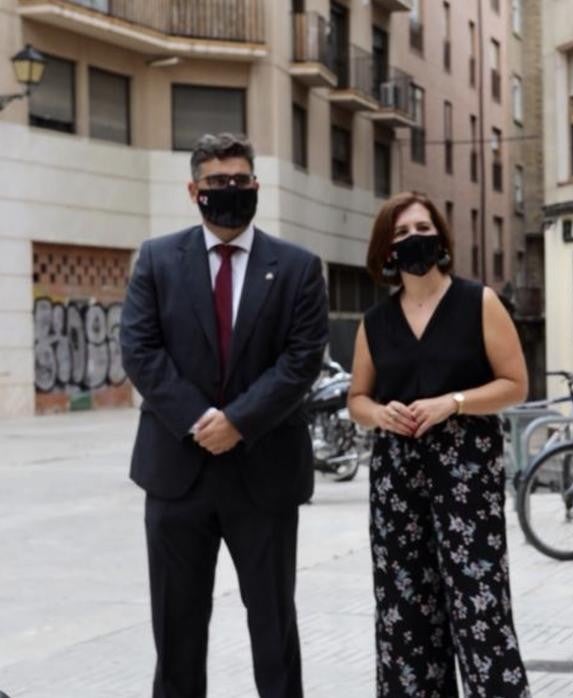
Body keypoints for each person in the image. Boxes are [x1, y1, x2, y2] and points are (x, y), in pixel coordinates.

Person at [120, 133, 329, 698]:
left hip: (263, 474)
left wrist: (238, 421)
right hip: (176, 474)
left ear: (257, 187)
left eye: (241, 181)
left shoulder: (298, 267)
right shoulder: (158, 259)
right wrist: (199, 420)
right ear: (194, 191)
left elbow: (302, 358)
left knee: (273, 628)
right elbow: (140, 352)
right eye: (217, 183)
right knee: (177, 630)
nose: (230, 191)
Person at [347, 192, 531, 697]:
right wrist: (380, 413)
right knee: (405, 614)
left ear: (441, 237)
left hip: (466, 475)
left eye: (422, 228)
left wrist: (452, 402)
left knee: (480, 610)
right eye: (401, 233)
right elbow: (357, 398)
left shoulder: (479, 302)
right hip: (396, 480)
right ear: (386, 249)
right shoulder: (375, 322)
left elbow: (515, 384)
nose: (413, 239)